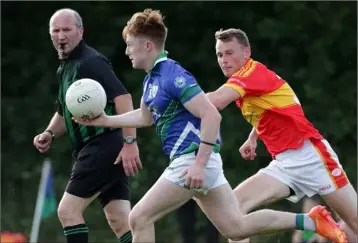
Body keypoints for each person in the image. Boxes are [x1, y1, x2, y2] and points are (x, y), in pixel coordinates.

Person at [73, 9, 347, 243]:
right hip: (201, 163)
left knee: (139, 217)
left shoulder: (172, 74)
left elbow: (212, 116)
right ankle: (310, 221)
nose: (126, 51)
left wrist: (200, 164)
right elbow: (146, 117)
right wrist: (105, 120)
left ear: (147, 46)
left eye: (130, 45)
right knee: (236, 228)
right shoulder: (151, 80)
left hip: (192, 160)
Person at [206, 28, 357, 243]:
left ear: (247, 52)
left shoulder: (249, 74)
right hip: (285, 163)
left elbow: (217, 101)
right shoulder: (247, 79)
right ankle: (310, 221)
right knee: (232, 211)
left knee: (354, 224)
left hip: (312, 156)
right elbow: (274, 109)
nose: (224, 60)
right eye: (220, 55)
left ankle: (315, 223)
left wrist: (180, 95)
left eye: (230, 53)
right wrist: (253, 137)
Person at [33, 8, 141, 243]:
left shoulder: (91, 61)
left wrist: (130, 143)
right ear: (50, 34)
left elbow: (124, 98)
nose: (61, 36)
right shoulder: (65, 67)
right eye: (56, 30)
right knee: (120, 220)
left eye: (67, 30)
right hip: (101, 149)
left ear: (80, 31)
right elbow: (64, 112)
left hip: (103, 145)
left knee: (67, 211)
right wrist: (50, 133)